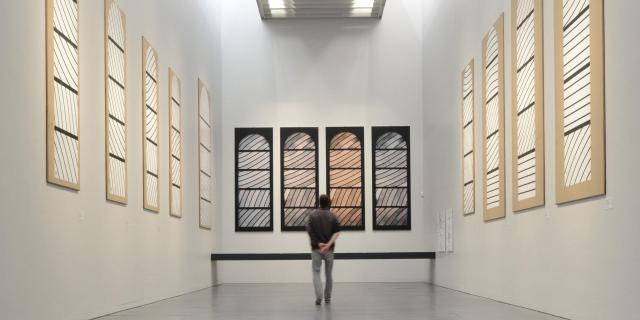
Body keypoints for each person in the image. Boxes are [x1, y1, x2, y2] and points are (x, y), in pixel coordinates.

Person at [306, 194, 341, 306]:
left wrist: (319, 243)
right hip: (329, 250)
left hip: (316, 249)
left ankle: (319, 296)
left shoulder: (312, 215)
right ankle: (327, 297)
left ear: (319, 203)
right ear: (329, 203)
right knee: (328, 274)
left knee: (316, 272)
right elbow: (336, 233)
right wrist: (328, 245)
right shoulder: (333, 216)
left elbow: (309, 231)